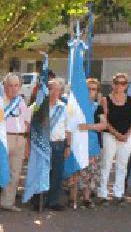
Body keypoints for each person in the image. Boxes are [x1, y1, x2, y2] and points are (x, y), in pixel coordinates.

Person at [0, 72, 30, 213]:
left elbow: (26, 122)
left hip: (19, 138)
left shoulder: (21, 101)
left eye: (16, 85)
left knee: (14, 172)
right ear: (4, 86)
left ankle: (7, 202)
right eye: (10, 85)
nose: (13, 89)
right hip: (2, 138)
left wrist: (26, 141)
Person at [98, 72, 131, 206]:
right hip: (110, 135)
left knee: (122, 165)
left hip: (127, 136)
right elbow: (104, 120)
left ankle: (118, 193)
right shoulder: (105, 100)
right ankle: (103, 194)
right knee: (106, 164)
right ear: (112, 84)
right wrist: (117, 134)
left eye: (123, 83)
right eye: (117, 83)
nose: (120, 86)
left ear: (126, 85)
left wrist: (127, 134)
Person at [71, 78, 107, 208]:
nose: (90, 91)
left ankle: (86, 198)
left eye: (94, 89)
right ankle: (73, 198)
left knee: (91, 173)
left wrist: (89, 126)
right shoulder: (76, 106)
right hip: (78, 144)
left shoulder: (98, 108)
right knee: (76, 171)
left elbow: (103, 124)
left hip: (93, 145)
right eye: (88, 89)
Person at [44, 78, 72, 211]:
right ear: (47, 90)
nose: (55, 92)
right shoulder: (38, 106)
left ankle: (53, 201)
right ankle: (40, 200)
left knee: (57, 175)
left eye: (58, 90)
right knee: (42, 173)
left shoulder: (64, 108)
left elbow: (68, 130)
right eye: (52, 89)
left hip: (59, 145)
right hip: (43, 144)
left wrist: (68, 146)